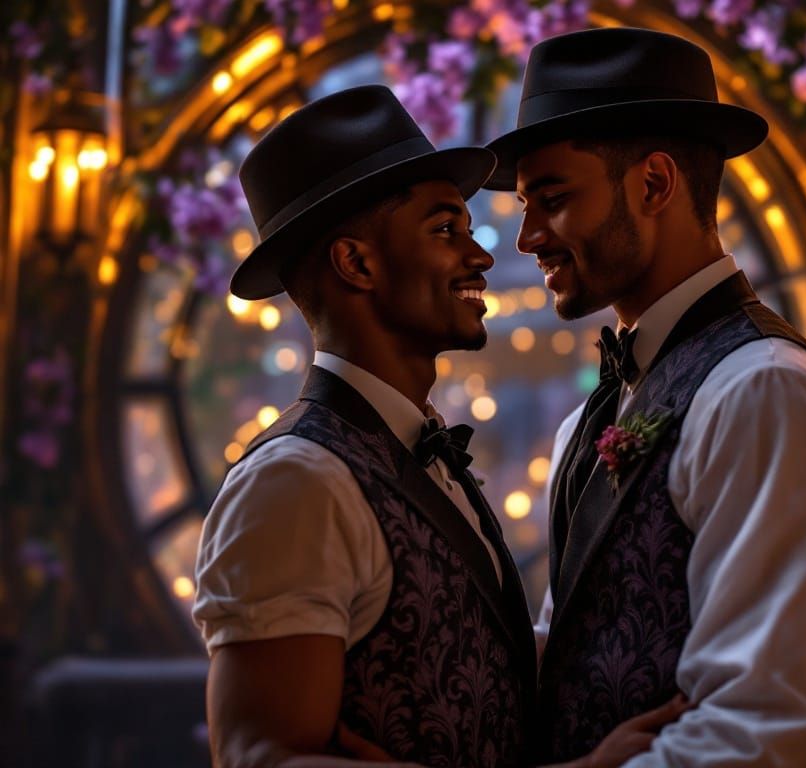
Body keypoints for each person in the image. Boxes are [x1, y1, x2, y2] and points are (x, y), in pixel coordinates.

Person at [193, 85, 684, 768]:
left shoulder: (415, 450)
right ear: (356, 263)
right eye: (445, 230)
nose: (482, 256)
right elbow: (258, 757)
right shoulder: (294, 481)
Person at [485, 28, 806, 766]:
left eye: (554, 198)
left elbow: (763, 731)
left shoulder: (767, 393)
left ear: (654, 184)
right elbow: (579, 652)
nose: (527, 237)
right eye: (525, 205)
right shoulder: (592, 414)